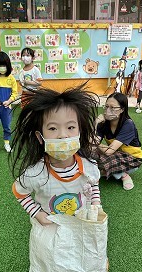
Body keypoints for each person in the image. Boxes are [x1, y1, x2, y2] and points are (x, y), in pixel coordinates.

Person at [10, 84, 101, 225]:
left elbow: (94, 183)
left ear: (80, 132)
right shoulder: (35, 173)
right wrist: (37, 213)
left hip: (79, 223)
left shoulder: (88, 165)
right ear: (40, 137)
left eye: (70, 127)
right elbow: (19, 191)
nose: (63, 135)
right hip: (50, 226)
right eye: (53, 128)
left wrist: (96, 203)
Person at [94, 92, 142, 190]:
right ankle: (108, 170)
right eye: (106, 106)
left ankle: (124, 175)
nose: (108, 111)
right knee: (87, 151)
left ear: (122, 109)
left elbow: (109, 151)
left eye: (113, 108)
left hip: (132, 159)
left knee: (106, 158)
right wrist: (95, 124)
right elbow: (92, 142)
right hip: (115, 154)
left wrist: (95, 144)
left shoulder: (128, 124)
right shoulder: (103, 123)